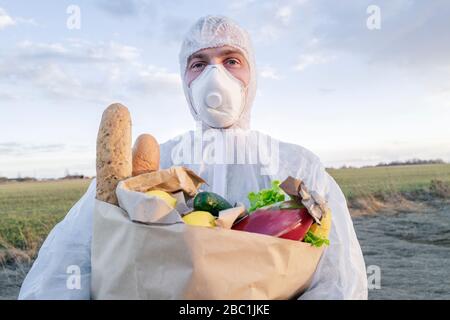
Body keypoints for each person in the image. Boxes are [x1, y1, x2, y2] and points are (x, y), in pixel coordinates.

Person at [19, 15, 368, 300]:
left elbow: (340, 280)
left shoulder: (297, 165)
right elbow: (73, 255)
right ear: (184, 79)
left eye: (231, 60)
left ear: (253, 75)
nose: (215, 76)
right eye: (198, 63)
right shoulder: (151, 164)